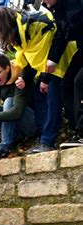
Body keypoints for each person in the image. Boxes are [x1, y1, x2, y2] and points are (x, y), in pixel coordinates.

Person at [0, 7, 76, 153]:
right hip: (46, 66)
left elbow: (47, 52)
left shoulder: (34, 25)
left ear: (4, 26)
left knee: (53, 99)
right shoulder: (20, 33)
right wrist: (24, 77)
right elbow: (30, 58)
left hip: (59, 60)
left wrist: (45, 79)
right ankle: (43, 137)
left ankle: (48, 141)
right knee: (40, 97)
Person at [41, 0, 83, 148]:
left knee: (80, 82)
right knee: (66, 85)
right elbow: (62, 33)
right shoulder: (58, 9)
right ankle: (78, 132)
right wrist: (52, 60)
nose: (43, 1)